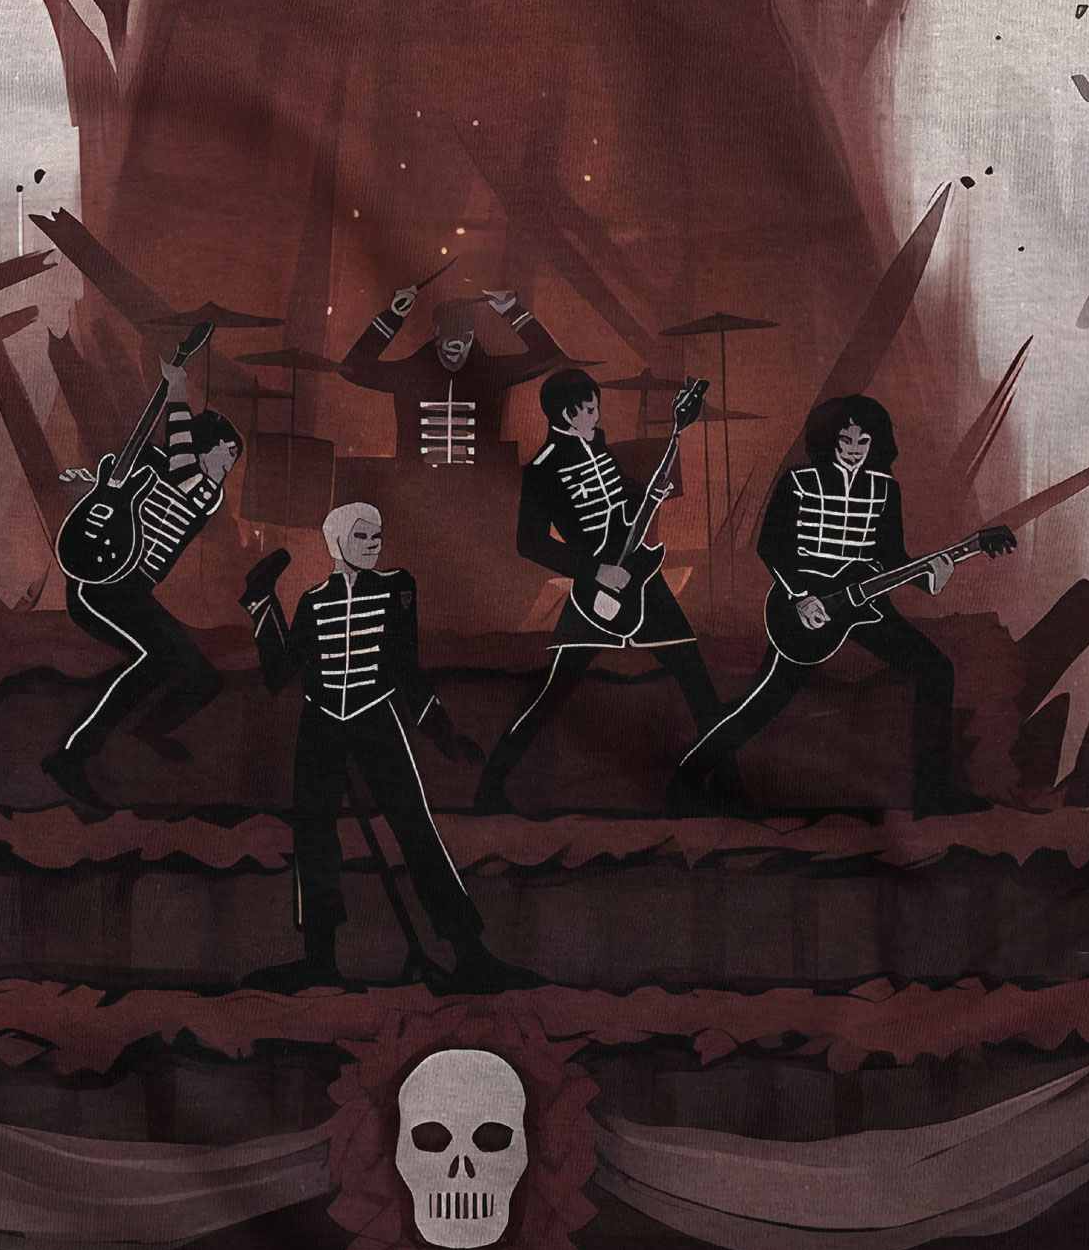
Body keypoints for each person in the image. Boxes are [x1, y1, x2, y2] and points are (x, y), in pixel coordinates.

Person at [243, 502, 535, 991]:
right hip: (321, 721)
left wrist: (443, 733)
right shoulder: (313, 601)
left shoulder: (397, 588)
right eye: (362, 536)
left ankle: (470, 954)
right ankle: (319, 960)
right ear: (337, 541)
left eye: (377, 536)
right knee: (313, 834)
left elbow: (406, 671)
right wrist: (261, 602)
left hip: (375, 716)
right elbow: (278, 676)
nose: (373, 545)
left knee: (415, 827)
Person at [669, 395, 983, 817]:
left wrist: (932, 578)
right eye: (845, 439)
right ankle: (686, 779)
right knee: (765, 701)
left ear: (876, 442)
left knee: (935, 669)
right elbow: (770, 546)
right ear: (829, 439)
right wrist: (800, 596)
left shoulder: (885, 489)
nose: (854, 448)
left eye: (863, 440)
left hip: (866, 605)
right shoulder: (799, 481)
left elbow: (892, 559)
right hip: (806, 608)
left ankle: (932, 794)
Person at [477, 364, 733, 811]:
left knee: (696, 678)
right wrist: (594, 571)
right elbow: (529, 542)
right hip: (594, 593)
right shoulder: (542, 468)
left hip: (641, 579)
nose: (597, 415)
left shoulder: (597, 445)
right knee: (552, 692)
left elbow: (622, 501)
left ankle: (731, 786)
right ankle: (490, 788)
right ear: (568, 413)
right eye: (591, 408)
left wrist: (651, 489)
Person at [45, 411, 242, 810]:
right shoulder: (147, 461)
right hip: (100, 585)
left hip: (134, 592)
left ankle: (149, 731)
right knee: (157, 659)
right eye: (226, 457)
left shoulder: (207, 493)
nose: (228, 470)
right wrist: (92, 490)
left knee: (205, 679)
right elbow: (111, 493)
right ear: (203, 449)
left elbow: (182, 470)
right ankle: (71, 756)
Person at [335, 280, 578, 472]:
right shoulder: (410, 374)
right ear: (436, 332)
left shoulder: (490, 374)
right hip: (417, 488)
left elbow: (548, 356)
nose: (457, 344)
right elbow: (353, 369)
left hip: (477, 491)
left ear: (473, 335)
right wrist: (392, 316)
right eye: (450, 334)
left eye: (464, 335)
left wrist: (512, 311)